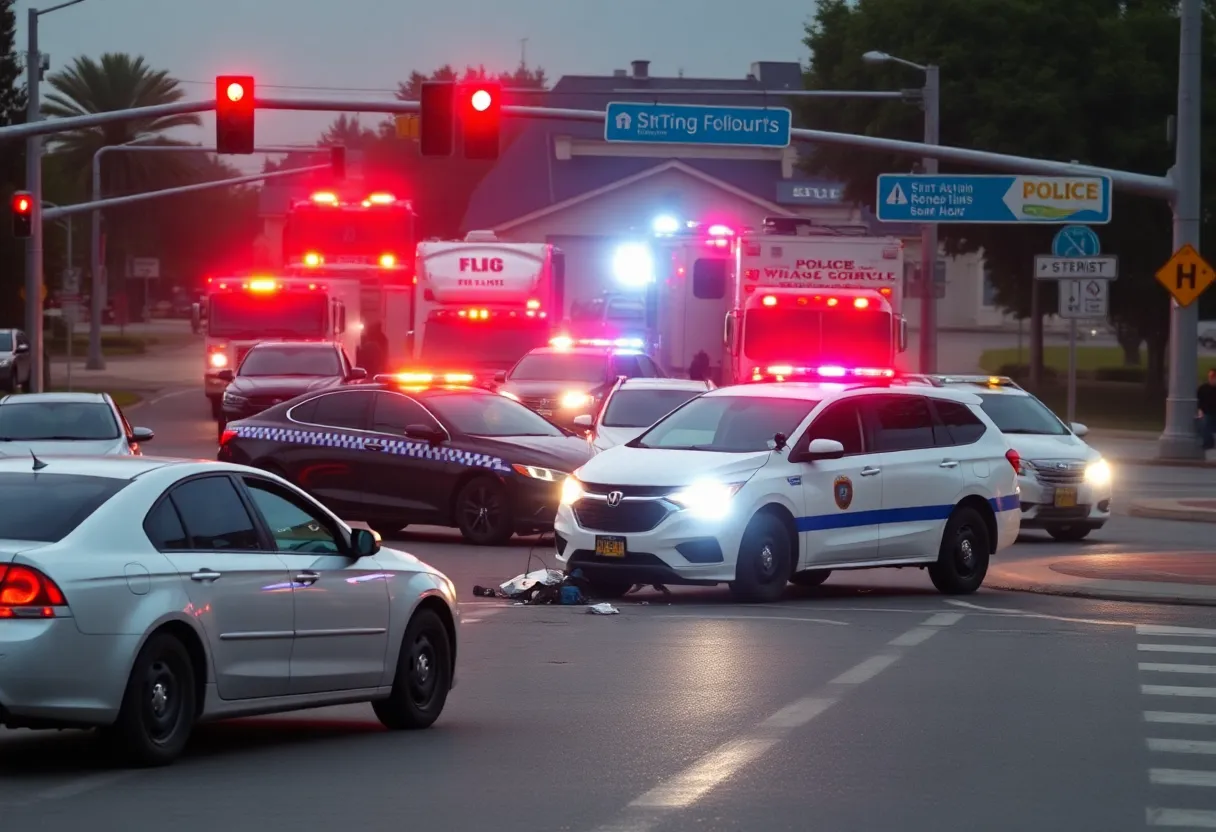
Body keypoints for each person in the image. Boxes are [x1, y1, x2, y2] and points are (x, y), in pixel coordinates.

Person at [1198, 368, 1216, 451]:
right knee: (1204, 422)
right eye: (1210, 377)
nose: (1211, 379)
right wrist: (1200, 410)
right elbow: (1199, 401)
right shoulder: (1203, 388)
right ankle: (1208, 443)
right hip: (1206, 413)